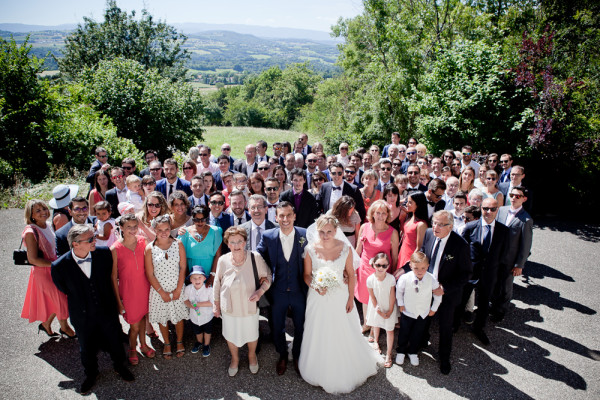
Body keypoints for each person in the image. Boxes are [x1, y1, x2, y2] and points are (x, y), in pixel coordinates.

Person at [299, 214, 379, 394]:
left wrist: (350, 298)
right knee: (319, 328)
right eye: (322, 232)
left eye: (329, 231)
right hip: (318, 296)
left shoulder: (345, 248)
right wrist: (315, 285)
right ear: (316, 231)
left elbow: (351, 274)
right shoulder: (311, 249)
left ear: (336, 231)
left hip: (340, 296)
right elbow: (306, 275)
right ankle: (317, 366)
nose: (325, 235)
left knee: (341, 328)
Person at [51, 224, 134, 394]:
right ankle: (91, 374)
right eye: (90, 239)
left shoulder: (104, 254)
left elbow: (112, 278)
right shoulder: (59, 266)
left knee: (115, 341)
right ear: (75, 244)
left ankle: (121, 367)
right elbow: (64, 288)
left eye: (94, 236)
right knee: (86, 347)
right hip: (81, 315)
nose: (95, 240)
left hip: (106, 310)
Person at [416, 210, 472, 375]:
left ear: (450, 226)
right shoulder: (428, 234)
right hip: (427, 288)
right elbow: (423, 256)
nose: (435, 227)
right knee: (424, 317)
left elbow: (466, 274)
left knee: (445, 326)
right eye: (434, 222)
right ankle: (422, 342)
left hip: (447, 293)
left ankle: (444, 357)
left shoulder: (460, 245)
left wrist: (444, 288)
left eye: (441, 224)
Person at [256, 202, 308, 375]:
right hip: (277, 291)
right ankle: (283, 355)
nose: (285, 219)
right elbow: (259, 257)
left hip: (299, 290)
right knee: (278, 326)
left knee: (301, 326)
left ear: (294, 216)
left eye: (288, 215)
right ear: (276, 217)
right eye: (281, 216)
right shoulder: (269, 235)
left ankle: (298, 354)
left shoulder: (305, 234)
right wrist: (264, 276)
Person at [214, 226, 272, 376]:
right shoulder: (223, 260)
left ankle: (252, 356)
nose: (236, 245)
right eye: (232, 242)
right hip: (230, 308)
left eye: (239, 241)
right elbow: (217, 283)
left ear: (245, 242)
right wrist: (216, 304)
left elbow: (268, 277)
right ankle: (235, 359)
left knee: (252, 334)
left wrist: (260, 291)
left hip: (249, 306)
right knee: (230, 334)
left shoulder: (255, 257)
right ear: (227, 244)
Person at [457, 198, 509, 345]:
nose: (488, 212)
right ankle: (455, 324)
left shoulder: (504, 231)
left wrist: (499, 275)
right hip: (470, 273)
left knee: (484, 303)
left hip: (490, 274)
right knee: (461, 300)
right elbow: (461, 251)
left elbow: (504, 255)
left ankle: (479, 327)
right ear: (481, 209)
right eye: (486, 208)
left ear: (497, 210)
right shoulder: (470, 227)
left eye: (492, 209)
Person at [21, 200, 75, 338]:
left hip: (54, 268)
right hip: (44, 271)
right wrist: (55, 265)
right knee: (60, 298)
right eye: (38, 210)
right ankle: (65, 327)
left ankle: (46, 324)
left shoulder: (49, 225)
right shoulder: (30, 231)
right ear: (31, 215)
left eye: (44, 208)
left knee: (57, 299)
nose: (43, 212)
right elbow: (33, 259)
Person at [110, 214, 154, 365]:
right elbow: (113, 277)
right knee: (134, 325)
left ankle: (143, 344)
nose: (133, 229)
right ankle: (132, 348)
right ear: (121, 228)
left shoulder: (143, 241)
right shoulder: (115, 249)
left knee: (143, 318)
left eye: (135, 226)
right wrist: (118, 302)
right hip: (128, 292)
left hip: (144, 288)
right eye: (129, 227)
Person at [144, 215, 188, 359]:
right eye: (160, 230)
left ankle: (180, 341)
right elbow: (150, 273)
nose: (163, 232)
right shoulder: (150, 248)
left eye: (167, 229)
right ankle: (167, 343)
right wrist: (161, 292)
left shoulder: (178, 244)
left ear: (170, 229)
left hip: (176, 286)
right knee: (163, 318)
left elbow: (182, 267)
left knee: (179, 316)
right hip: (159, 289)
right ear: (154, 230)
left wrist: (179, 288)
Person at [355, 200, 400, 336]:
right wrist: (352, 268)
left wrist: (391, 274)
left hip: (381, 271)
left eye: (383, 213)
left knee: (379, 298)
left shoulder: (393, 232)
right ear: (372, 214)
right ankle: (367, 323)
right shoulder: (364, 227)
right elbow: (358, 250)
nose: (380, 216)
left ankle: (376, 326)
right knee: (365, 297)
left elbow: (395, 256)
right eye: (377, 213)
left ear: (387, 215)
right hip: (364, 268)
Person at [491, 186, 533, 322]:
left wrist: (519, 265)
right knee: (494, 282)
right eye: (512, 195)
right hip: (496, 256)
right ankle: (492, 306)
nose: (514, 198)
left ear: (524, 199)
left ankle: (500, 311)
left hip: (510, 259)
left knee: (505, 287)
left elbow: (525, 245)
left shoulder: (526, 220)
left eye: (518, 196)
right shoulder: (501, 210)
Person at [395, 251, 442, 366]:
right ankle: (401, 350)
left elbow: (438, 294)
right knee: (404, 332)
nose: (420, 271)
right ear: (411, 266)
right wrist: (400, 304)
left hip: (423, 313)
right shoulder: (405, 278)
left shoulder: (431, 279)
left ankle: (413, 352)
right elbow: (399, 292)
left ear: (427, 266)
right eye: (416, 268)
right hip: (408, 311)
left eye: (423, 268)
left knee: (418, 333)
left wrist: (434, 308)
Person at [366, 253, 397, 368]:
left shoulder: (391, 279)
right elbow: (372, 297)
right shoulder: (370, 279)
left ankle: (388, 354)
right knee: (376, 324)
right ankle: (376, 341)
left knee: (389, 330)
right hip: (376, 306)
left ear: (388, 266)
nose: (381, 268)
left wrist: (390, 310)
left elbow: (392, 295)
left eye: (384, 266)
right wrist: (377, 309)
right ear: (373, 264)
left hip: (389, 306)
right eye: (378, 265)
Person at [178, 205, 223, 277]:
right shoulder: (184, 233)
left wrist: (212, 275)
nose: (200, 222)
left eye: (203, 219)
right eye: (196, 220)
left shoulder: (216, 231)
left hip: (210, 272)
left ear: (207, 218)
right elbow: (181, 257)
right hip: (190, 274)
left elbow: (218, 255)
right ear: (192, 219)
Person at [182, 267, 214, 357]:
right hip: (194, 317)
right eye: (194, 278)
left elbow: (212, 303)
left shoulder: (209, 289)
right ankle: (199, 342)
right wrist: (190, 305)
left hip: (207, 316)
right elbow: (185, 300)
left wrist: (198, 304)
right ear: (190, 280)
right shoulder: (188, 289)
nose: (197, 280)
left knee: (207, 331)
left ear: (204, 278)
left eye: (199, 277)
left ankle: (206, 345)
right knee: (197, 331)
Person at [398, 191, 428, 270]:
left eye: (410, 202)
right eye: (407, 201)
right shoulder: (410, 217)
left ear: (418, 205)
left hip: (409, 258)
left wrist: (410, 264)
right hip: (402, 254)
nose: (407, 204)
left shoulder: (421, 224)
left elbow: (419, 248)